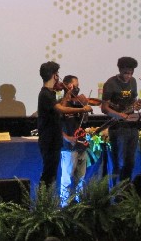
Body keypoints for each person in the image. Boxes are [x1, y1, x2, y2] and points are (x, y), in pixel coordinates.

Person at [37, 61, 92, 186]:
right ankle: (44, 197)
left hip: (54, 139)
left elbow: (60, 107)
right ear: (54, 75)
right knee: (48, 174)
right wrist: (82, 109)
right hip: (48, 140)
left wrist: (67, 94)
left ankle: (47, 196)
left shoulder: (50, 92)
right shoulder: (45, 94)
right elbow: (61, 109)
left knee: (52, 174)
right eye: (57, 74)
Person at [101, 56, 141, 183]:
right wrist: (119, 115)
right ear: (120, 70)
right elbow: (104, 108)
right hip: (117, 128)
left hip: (132, 126)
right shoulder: (110, 83)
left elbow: (133, 101)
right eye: (125, 73)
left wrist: (137, 105)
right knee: (119, 163)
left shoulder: (133, 81)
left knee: (130, 162)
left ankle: (127, 189)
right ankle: (117, 190)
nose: (128, 76)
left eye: (131, 73)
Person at [59, 74, 90, 205]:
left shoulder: (78, 103)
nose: (77, 89)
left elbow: (85, 122)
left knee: (80, 179)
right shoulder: (60, 104)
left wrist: (85, 108)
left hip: (81, 145)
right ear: (67, 86)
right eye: (74, 86)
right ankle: (64, 205)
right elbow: (55, 126)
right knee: (66, 180)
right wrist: (67, 138)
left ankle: (80, 205)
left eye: (77, 86)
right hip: (68, 147)